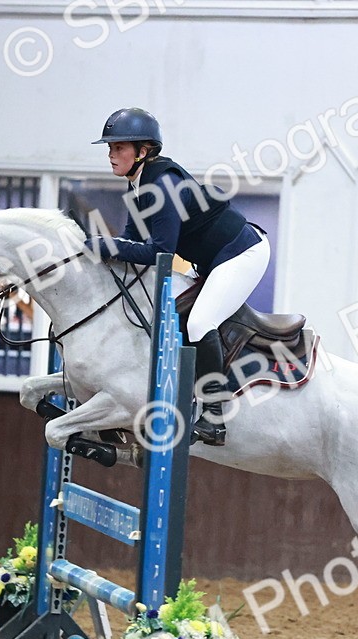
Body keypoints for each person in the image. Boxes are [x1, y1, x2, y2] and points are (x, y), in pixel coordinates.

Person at [92, 107, 270, 447]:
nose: (111, 155)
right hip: (215, 258)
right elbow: (130, 243)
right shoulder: (140, 187)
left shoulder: (164, 183)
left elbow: (160, 252)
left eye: (119, 148)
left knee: (200, 322)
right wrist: (100, 248)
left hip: (242, 253)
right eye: (110, 148)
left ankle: (215, 417)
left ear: (143, 151)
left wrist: (104, 246)